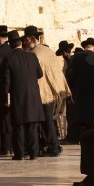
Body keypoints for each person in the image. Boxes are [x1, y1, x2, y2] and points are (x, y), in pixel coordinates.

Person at [23, 25, 70, 157]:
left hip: (43, 93)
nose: (24, 43)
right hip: (52, 92)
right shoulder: (47, 50)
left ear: (31, 39)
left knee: (46, 121)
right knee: (48, 120)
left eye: (26, 40)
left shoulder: (35, 54)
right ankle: (52, 145)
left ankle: (53, 147)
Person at [1, 30, 44, 160]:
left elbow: (6, 83)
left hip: (18, 97)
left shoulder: (8, 59)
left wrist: (5, 98)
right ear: (20, 42)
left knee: (18, 126)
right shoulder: (32, 56)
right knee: (32, 126)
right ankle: (34, 153)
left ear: (11, 45)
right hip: (33, 97)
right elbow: (40, 74)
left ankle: (19, 154)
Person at [65, 37, 94, 141]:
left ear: (84, 47)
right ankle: (88, 138)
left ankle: (75, 138)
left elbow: (70, 76)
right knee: (89, 116)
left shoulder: (76, 58)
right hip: (91, 95)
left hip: (77, 94)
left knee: (77, 115)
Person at [0, 25, 12, 156]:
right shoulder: (12, 51)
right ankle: (9, 145)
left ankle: (1, 147)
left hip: (1, 91)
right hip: (13, 91)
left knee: (0, 120)